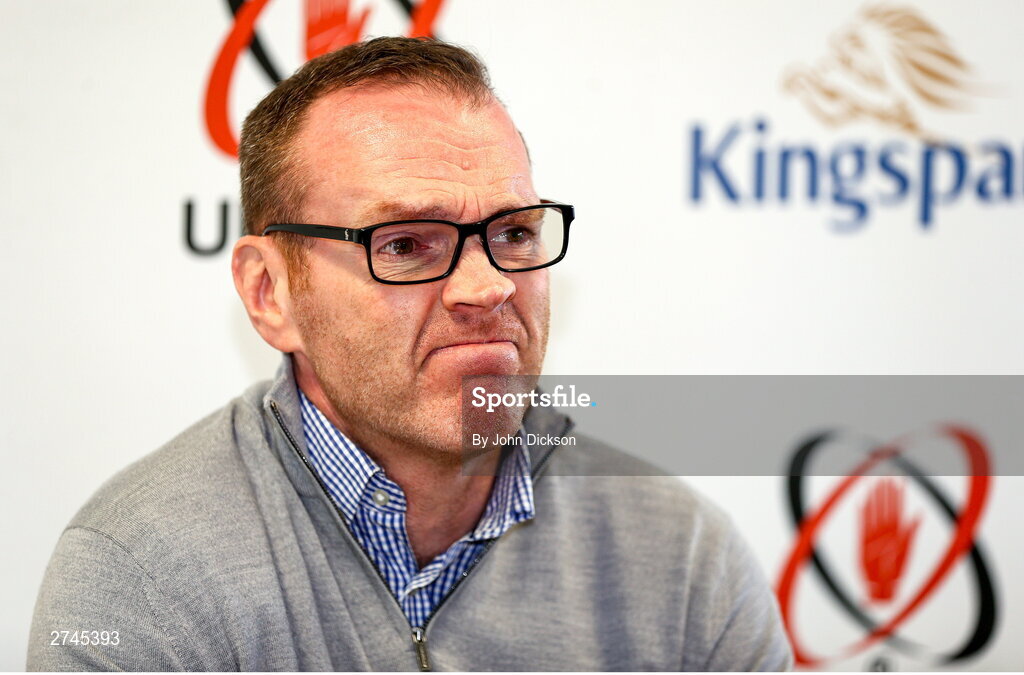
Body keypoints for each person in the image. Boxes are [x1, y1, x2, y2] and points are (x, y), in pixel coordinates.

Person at [28, 37, 792, 671]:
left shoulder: (686, 559)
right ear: (270, 293)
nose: (487, 284)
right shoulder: (142, 573)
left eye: (515, 233)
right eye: (403, 244)